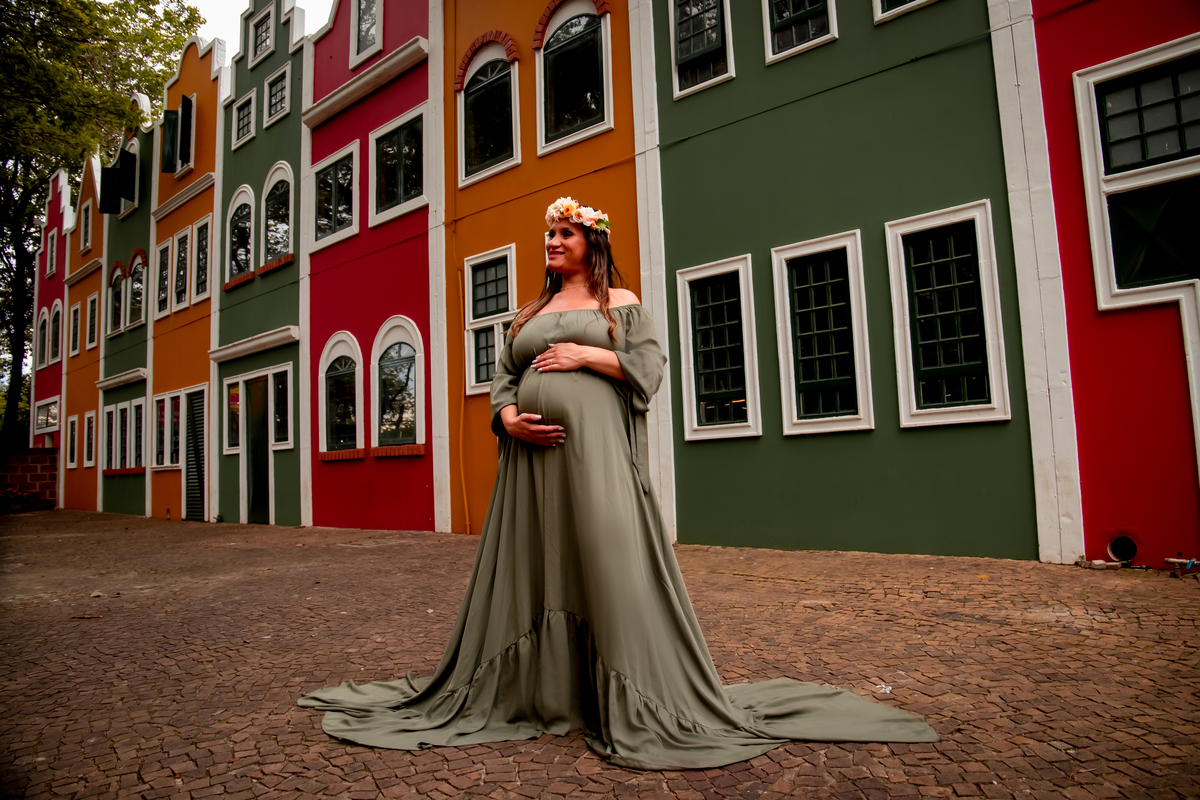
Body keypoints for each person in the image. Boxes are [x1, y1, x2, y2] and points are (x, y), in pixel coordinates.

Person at [298, 198, 937, 770]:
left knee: (607, 555)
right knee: (535, 564)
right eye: (549, 235)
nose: (552, 243)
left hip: (597, 458)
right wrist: (508, 417)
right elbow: (503, 378)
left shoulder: (620, 304)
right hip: (530, 468)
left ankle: (628, 689)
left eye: (565, 234)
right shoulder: (530, 312)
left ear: (592, 242)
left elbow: (649, 367)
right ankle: (540, 690)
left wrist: (586, 355)